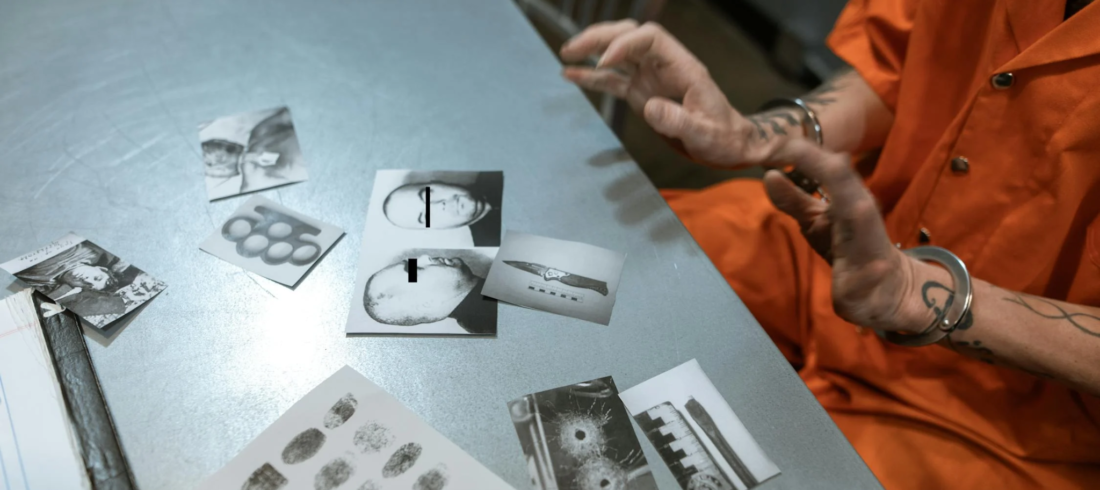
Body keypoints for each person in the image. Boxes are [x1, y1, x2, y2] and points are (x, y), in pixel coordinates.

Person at [560, 2, 1100, 489]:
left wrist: (915, 293)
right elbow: (901, 65)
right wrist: (758, 136)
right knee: (578, 262)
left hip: (1009, 419)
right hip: (840, 242)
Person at [363, 254, 496, 334]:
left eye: (413, 262)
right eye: (414, 270)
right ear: (426, 304)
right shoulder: (493, 322)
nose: (425, 257)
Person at [382, 172, 503, 246]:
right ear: (436, 229)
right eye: (427, 217)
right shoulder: (495, 245)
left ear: (437, 182)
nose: (440, 204)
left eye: (427, 194)